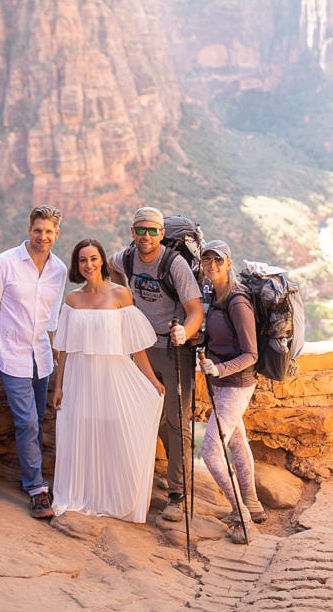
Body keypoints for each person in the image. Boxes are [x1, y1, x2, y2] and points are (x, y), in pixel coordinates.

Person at [50, 239, 166, 522]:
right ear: (77, 266)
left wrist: (151, 380)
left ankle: (116, 497)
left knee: (115, 434)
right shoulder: (72, 300)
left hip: (112, 376)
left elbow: (135, 346)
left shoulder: (120, 295)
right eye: (82, 260)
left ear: (101, 260)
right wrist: (59, 385)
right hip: (79, 377)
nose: (88, 265)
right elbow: (64, 348)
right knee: (79, 433)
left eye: (93, 258)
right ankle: (80, 495)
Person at [108, 207, 203, 522]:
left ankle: (177, 494)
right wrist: (126, 306)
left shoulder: (174, 265)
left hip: (173, 349)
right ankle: (135, 484)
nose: (146, 236)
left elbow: (195, 312)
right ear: (132, 231)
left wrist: (183, 332)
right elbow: (113, 271)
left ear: (162, 233)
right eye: (141, 230)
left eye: (152, 230)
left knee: (176, 423)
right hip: (140, 348)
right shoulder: (126, 258)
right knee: (138, 416)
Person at [0, 205, 66, 519]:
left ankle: (31, 473)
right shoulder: (4, 263)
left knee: (37, 420)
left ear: (57, 234)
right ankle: (37, 489)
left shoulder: (59, 269)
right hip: (11, 355)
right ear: (29, 230)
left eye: (49, 232)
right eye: (38, 230)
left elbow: (52, 318)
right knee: (27, 421)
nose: (43, 236)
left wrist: (57, 354)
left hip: (41, 357)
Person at [197, 239, 265, 544]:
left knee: (210, 451)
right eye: (206, 260)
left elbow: (251, 354)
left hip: (237, 384)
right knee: (237, 442)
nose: (212, 266)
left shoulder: (237, 302)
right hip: (223, 383)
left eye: (218, 261)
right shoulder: (213, 294)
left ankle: (241, 515)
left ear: (229, 263)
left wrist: (220, 369)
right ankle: (253, 504)